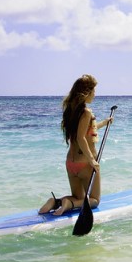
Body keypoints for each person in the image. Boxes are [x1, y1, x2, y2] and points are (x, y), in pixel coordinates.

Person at [39, 74, 113, 216]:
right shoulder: (86, 112)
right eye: (94, 91)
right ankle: (68, 204)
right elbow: (81, 138)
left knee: (79, 197)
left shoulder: (71, 111)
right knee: (94, 200)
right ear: (87, 92)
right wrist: (92, 160)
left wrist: (104, 122)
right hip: (85, 163)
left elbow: (85, 131)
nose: (95, 95)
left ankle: (56, 202)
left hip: (71, 163)